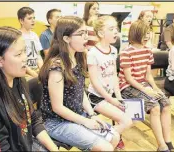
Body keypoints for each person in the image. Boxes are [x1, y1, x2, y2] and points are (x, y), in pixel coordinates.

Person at [39, 16, 120, 151]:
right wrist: (86, 121)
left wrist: (92, 114)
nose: (86, 38)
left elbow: (79, 91)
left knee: (115, 136)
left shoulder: (78, 57)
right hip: (57, 122)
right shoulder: (57, 67)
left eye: (86, 33)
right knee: (106, 147)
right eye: (81, 34)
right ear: (66, 38)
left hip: (76, 115)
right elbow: (57, 108)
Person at [0, 26, 58, 151]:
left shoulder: (19, 79)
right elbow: (2, 147)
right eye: (18, 54)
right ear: (0, 61)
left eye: (24, 51)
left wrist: (54, 149)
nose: (25, 58)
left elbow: (33, 120)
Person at [119, 20, 174, 151]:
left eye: (148, 33)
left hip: (143, 84)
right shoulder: (126, 52)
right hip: (127, 86)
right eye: (144, 34)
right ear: (136, 34)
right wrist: (146, 90)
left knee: (166, 104)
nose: (147, 36)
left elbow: (148, 75)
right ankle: (161, 146)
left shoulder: (147, 51)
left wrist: (155, 88)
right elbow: (128, 78)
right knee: (155, 107)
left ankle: (168, 142)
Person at [87, 15, 132, 150]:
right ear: (101, 33)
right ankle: (102, 138)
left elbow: (113, 75)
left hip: (110, 96)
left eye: (116, 28)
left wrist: (118, 96)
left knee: (129, 119)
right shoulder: (93, 53)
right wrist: (111, 100)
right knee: (126, 121)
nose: (116, 32)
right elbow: (94, 82)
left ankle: (107, 137)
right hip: (96, 97)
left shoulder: (113, 50)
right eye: (111, 29)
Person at [17, 7, 43, 79]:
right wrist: (33, 74)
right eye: (29, 18)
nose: (33, 21)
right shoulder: (17, 36)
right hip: (24, 72)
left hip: (36, 70)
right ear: (21, 21)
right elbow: (20, 60)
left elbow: (38, 55)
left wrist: (42, 70)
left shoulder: (34, 35)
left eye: (34, 18)